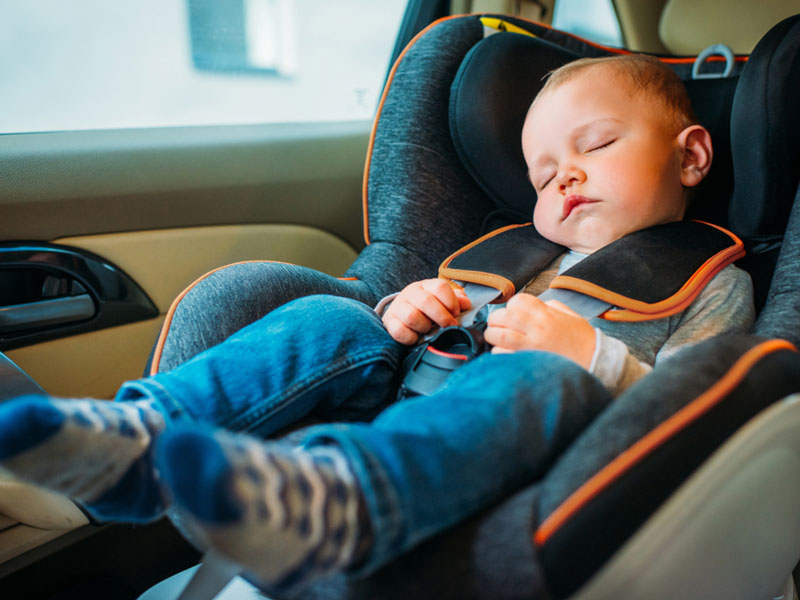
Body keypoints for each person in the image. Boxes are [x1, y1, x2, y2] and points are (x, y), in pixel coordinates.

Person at [0, 54, 754, 590]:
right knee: (338, 316)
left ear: (690, 157)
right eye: (543, 174)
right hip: (402, 407)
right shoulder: (514, 255)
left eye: (595, 145)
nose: (567, 177)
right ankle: (128, 452)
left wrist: (590, 356)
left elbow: (706, 417)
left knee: (536, 377)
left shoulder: (710, 285)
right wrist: (407, 312)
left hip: (547, 457)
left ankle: (339, 503)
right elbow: (405, 336)